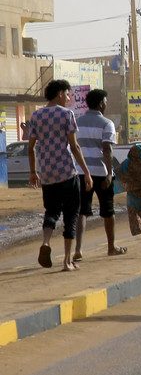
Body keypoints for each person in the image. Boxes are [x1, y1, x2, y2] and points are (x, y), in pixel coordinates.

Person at [28, 79, 94, 271]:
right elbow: (74, 146)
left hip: (47, 174)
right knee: (71, 215)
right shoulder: (67, 114)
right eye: (67, 94)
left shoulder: (36, 115)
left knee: (51, 211)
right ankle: (66, 261)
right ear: (59, 94)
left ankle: (46, 242)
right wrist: (87, 173)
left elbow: (31, 148)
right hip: (66, 172)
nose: (68, 98)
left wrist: (33, 172)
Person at [73, 88, 126, 260]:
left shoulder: (77, 121)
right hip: (101, 172)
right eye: (106, 102)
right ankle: (111, 246)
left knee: (82, 211)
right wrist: (110, 174)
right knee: (108, 210)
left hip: (82, 172)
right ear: (102, 103)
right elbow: (107, 149)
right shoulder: (107, 123)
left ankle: (78, 249)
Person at [114, 145, 141, 235]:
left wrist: (127, 180)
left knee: (134, 218)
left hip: (131, 196)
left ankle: (138, 233)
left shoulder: (126, 163)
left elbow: (117, 172)